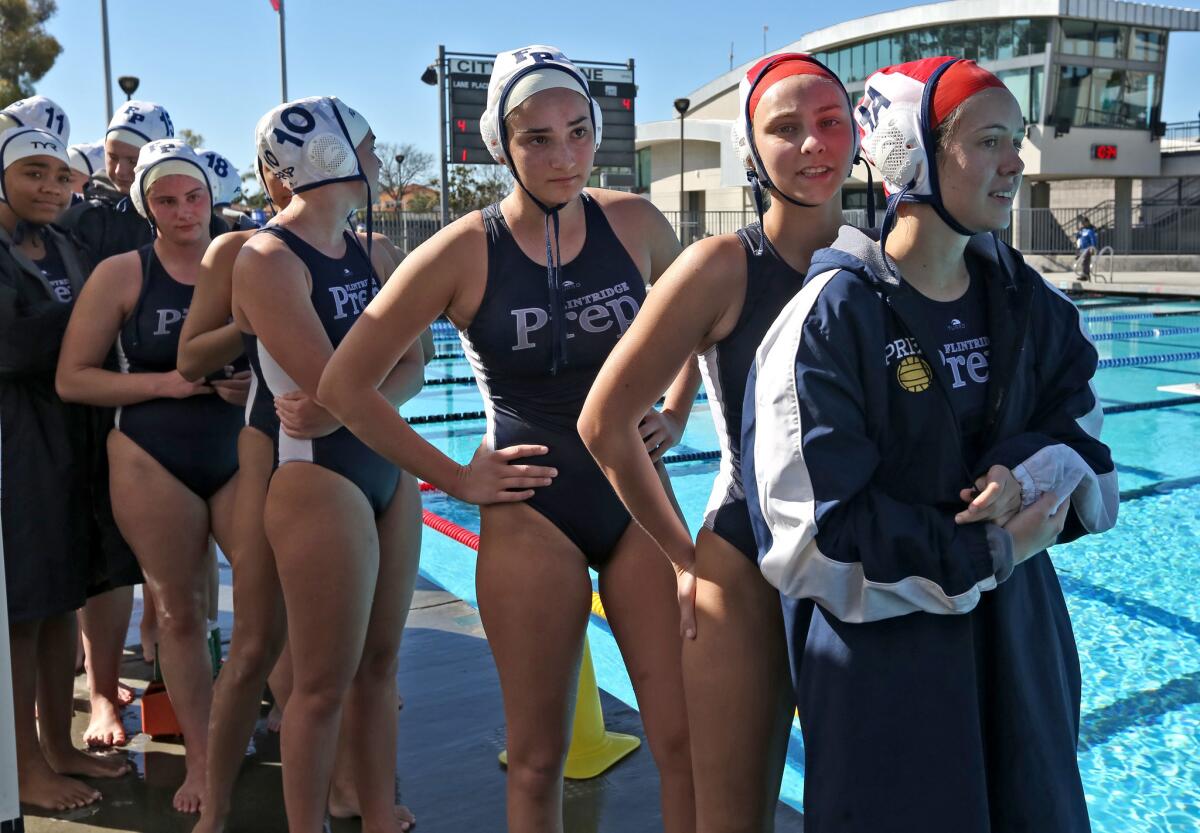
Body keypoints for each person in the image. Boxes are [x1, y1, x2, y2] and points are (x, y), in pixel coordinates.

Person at [318, 47, 696, 833]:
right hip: (533, 512)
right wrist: (455, 477)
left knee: (683, 739)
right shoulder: (464, 250)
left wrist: (680, 408)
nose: (565, 156)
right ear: (500, 144)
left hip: (638, 503)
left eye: (578, 131)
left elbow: (705, 326)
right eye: (538, 138)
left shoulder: (634, 223)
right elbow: (345, 385)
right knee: (535, 757)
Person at [742, 57, 1119, 833]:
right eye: (988, 142)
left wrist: (1024, 467)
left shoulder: (1030, 303)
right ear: (911, 154)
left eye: (1015, 140)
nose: (1015, 161)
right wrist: (988, 553)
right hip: (890, 672)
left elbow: (1086, 438)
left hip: (1022, 651)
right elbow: (812, 538)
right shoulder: (829, 321)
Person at [580, 53, 860, 832]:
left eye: (829, 123)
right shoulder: (722, 266)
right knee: (732, 816)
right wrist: (680, 554)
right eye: (787, 128)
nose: (813, 144)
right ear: (751, 148)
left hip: (860, 564)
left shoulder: (877, 261)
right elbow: (603, 420)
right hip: (745, 564)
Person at [231, 96, 425, 833]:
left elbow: (416, 362)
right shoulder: (269, 260)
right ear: (329, 155)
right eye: (369, 144)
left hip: (381, 469)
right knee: (319, 687)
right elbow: (331, 385)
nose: (378, 157)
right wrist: (344, 401)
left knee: (381, 668)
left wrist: (344, 402)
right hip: (318, 477)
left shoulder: (374, 253)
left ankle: (379, 813)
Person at [56, 141, 245, 813]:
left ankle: (283, 723)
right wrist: (167, 382)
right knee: (179, 614)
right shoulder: (123, 272)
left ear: (211, 197)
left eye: (193, 196)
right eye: (166, 199)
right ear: (145, 205)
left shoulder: (248, 260)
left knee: (271, 596)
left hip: (236, 446)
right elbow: (72, 377)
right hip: (150, 454)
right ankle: (201, 760)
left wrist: (251, 384)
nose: (184, 211)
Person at [1, 125, 131, 812]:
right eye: (33, 173)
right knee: (23, 611)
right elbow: (10, 345)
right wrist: (86, 319)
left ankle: (59, 743)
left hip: (71, 436)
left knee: (62, 599)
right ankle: (20, 766)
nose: (51, 187)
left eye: (59, 174)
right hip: (18, 442)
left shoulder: (63, 246)